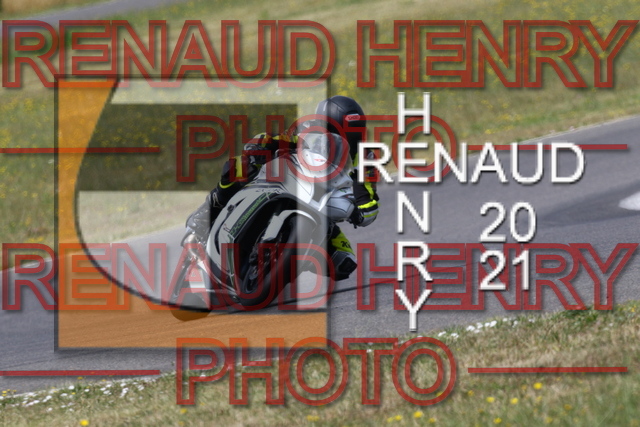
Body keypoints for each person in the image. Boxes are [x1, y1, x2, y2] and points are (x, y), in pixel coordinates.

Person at [182, 95, 379, 280]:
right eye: (340, 130)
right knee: (240, 167)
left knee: (343, 262)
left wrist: (360, 212)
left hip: (322, 208)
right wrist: (258, 147)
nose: (349, 137)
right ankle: (208, 211)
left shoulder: (366, 159)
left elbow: (368, 198)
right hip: (285, 183)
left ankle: (280, 268)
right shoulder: (307, 132)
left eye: (354, 132)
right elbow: (274, 139)